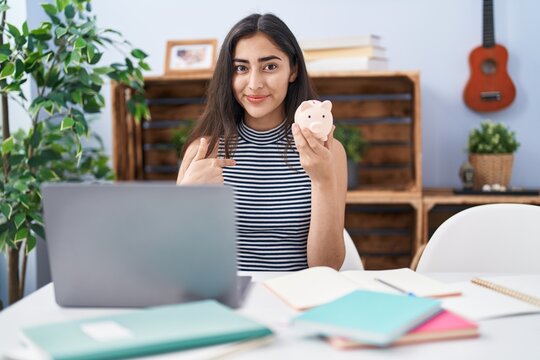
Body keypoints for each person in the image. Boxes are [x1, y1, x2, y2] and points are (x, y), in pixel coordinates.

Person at [177, 13, 347, 271]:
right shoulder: (203, 152)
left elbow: (327, 267)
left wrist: (322, 180)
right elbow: (175, 259)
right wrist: (186, 201)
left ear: (293, 70)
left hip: (297, 299)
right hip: (225, 300)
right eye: (241, 68)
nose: (254, 84)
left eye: (270, 66)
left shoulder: (327, 151)